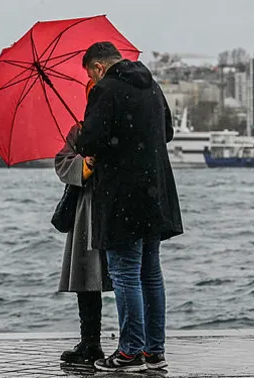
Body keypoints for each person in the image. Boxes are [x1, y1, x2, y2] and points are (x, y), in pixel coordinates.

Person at [75, 42, 184, 372]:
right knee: (151, 274)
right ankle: (154, 351)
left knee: (125, 274)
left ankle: (130, 351)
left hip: (122, 196)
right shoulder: (152, 84)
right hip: (156, 193)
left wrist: (86, 136)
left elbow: (91, 142)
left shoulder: (105, 89)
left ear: (97, 67)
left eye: (90, 74)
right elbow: (167, 132)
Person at [55, 79, 114, 367]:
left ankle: (129, 343)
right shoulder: (78, 131)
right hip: (86, 211)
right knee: (86, 279)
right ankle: (90, 342)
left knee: (123, 277)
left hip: (112, 207)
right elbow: (62, 162)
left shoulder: (114, 127)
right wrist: (85, 164)